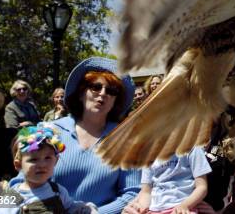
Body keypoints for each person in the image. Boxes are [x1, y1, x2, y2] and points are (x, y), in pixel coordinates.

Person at [11, 57, 140, 214]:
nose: (103, 94)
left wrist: (94, 213)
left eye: (112, 91)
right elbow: (21, 180)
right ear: (81, 93)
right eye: (96, 87)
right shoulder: (49, 130)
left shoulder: (126, 140)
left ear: (116, 100)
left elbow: (132, 193)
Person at [0, 124, 97, 214]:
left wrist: (85, 208)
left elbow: (70, 206)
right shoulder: (13, 198)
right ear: (19, 165)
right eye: (33, 159)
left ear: (55, 161)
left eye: (48, 158)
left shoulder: (58, 191)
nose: (42, 164)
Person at [123, 146, 214, 214]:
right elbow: (146, 191)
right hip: (155, 208)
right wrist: (141, 207)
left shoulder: (193, 148)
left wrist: (185, 205)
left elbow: (202, 187)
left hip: (181, 206)